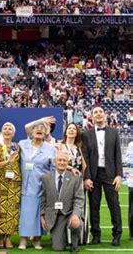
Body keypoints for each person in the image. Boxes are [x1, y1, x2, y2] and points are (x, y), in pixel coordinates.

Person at [83, 106, 123, 246]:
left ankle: (117, 235)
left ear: (105, 115)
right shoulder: (86, 134)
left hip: (110, 174)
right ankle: (96, 235)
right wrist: (86, 177)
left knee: (114, 205)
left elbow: (118, 154)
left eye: (100, 112)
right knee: (94, 206)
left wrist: (119, 175)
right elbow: (85, 158)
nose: (98, 114)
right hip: (94, 174)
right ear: (92, 117)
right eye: (95, 112)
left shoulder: (113, 132)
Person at [18, 120, 56, 250]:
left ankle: (36, 239)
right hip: (25, 185)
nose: (39, 130)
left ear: (46, 133)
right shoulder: (22, 144)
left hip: (41, 186)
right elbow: (26, 125)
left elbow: (53, 168)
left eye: (42, 129)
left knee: (40, 213)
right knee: (26, 213)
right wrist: (42, 120)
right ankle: (23, 239)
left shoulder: (50, 149)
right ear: (31, 132)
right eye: (36, 129)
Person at [40, 151, 85, 253]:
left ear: (68, 163)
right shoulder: (46, 178)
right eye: (59, 160)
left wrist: (76, 215)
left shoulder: (75, 178)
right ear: (55, 162)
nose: (62, 162)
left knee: (76, 223)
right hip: (55, 215)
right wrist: (42, 215)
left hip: (69, 213)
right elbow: (43, 197)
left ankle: (74, 243)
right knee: (58, 248)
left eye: (64, 160)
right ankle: (59, 237)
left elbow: (79, 198)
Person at [0, 122, 21, 249]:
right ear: (1, 131)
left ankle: (8, 237)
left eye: (10, 129)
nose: (7, 131)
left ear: (13, 133)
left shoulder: (17, 146)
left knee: (12, 210)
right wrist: (8, 161)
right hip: (1, 182)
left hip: (14, 182)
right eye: (5, 128)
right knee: (0, 210)